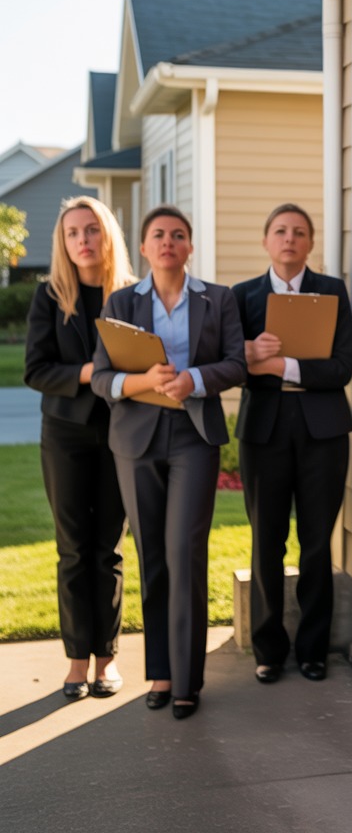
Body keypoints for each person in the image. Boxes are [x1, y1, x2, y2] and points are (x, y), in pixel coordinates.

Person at [91, 205, 245, 719]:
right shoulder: (120, 303)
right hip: (135, 440)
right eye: (158, 235)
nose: (167, 242)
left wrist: (192, 379)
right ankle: (160, 672)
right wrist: (144, 381)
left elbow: (236, 364)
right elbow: (101, 379)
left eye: (178, 235)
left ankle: (187, 679)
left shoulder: (218, 298)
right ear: (143, 247)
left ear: (189, 246)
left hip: (194, 437)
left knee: (185, 553)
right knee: (151, 557)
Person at [231, 203, 352, 684]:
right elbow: (227, 365)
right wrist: (247, 354)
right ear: (266, 241)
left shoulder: (332, 291)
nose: (289, 238)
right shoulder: (242, 296)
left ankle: (313, 649)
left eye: (299, 232)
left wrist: (280, 366)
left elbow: (340, 368)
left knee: (317, 542)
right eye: (280, 231)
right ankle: (268, 649)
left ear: (310, 243)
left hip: (323, 431)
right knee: (266, 540)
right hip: (263, 431)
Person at [24, 196, 136, 701]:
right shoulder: (50, 296)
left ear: (107, 234)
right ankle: (75, 661)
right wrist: (93, 373)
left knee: (108, 549)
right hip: (65, 435)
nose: (83, 240)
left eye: (91, 229)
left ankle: (106, 660)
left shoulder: (132, 296)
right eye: (72, 233)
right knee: (72, 550)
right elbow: (36, 370)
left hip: (121, 433)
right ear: (63, 242)